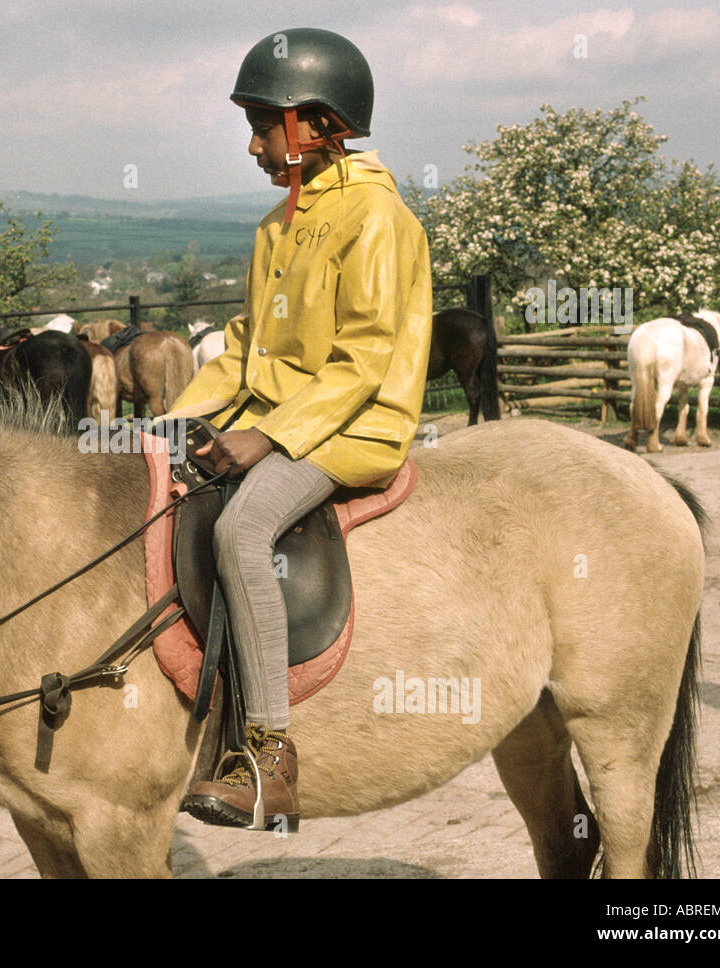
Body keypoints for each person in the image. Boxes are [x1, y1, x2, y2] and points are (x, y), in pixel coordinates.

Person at [172, 29, 433, 831]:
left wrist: (268, 438)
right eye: (249, 126)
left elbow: (363, 359)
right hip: (275, 418)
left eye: (263, 126)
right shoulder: (275, 227)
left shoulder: (377, 218)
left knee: (246, 527)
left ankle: (268, 755)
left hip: (352, 429)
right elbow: (247, 353)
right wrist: (171, 423)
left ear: (319, 124)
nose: (252, 145)